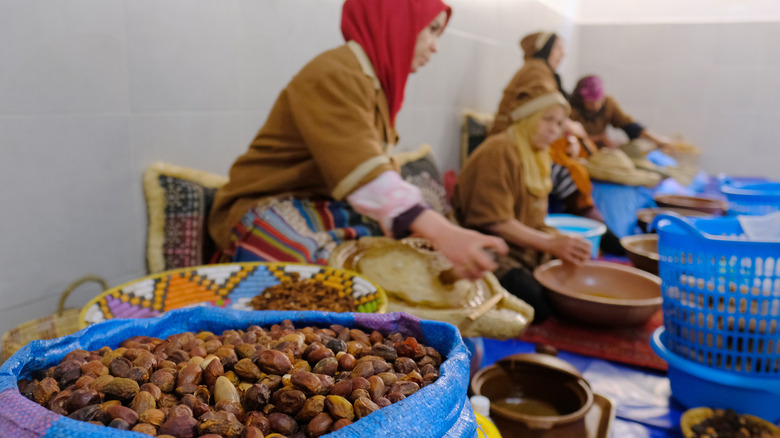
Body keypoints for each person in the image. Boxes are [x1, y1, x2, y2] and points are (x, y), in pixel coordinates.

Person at [208, 0, 507, 282]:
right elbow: (365, 172)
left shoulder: (375, 86)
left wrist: (428, 230)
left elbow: (380, 175)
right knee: (318, 272)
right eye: (431, 29)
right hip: (263, 206)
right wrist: (443, 233)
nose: (435, 47)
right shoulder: (335, 72)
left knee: (393, 249)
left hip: (319, 205)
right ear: (396, 19)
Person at [452, 80, 591, 322]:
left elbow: (533, 220)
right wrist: (550, 244)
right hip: (489, 249)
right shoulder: (500, 150)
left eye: (559, 123)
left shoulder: (537, 154)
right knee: (538, 304)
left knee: (576, 279)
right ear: (528, 117)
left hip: (523, 247)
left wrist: (566, 244)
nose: (554, 130)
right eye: (547, 119)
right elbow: (494, 222)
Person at [488, 31, 624, 255]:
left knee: (571, 166)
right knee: (567, 172)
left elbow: (549, 113)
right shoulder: (536, 71)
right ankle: (600, 231)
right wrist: (570, 130)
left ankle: (597, 230)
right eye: (559, 48)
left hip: (524, 141)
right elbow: (543, 110)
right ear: (546, 48)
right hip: (516, 143)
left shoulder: (544, 73)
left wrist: (570, 136)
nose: (563, 54)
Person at [570, 75, 673, 150]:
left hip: (603, 151)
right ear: (581, 99)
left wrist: (657, 140)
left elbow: (629, 125)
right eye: (591, 103)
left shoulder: (609, 104)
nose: (596, 106)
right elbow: (565, 137)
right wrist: (596, 139)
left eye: (599, 101)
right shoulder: (570, 110)